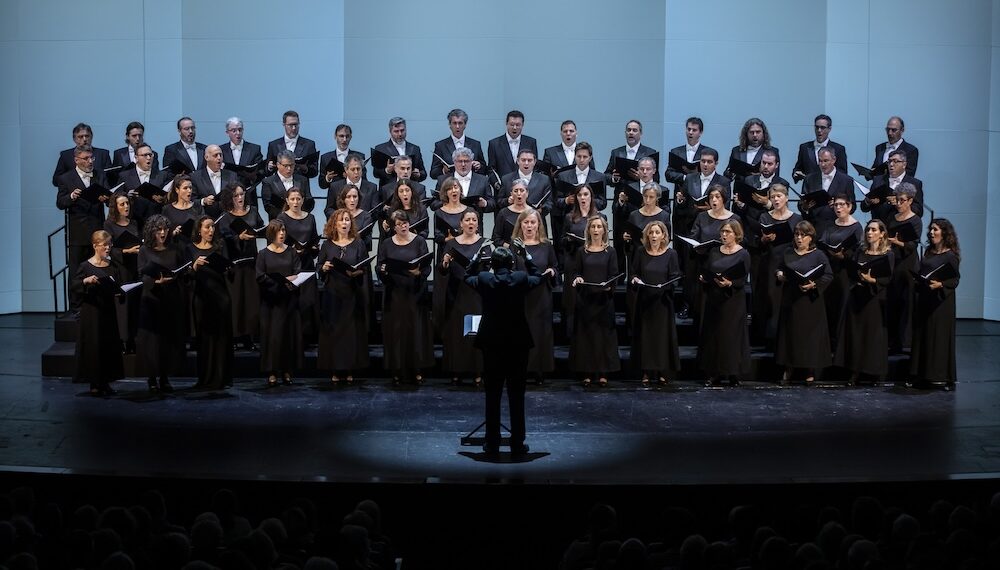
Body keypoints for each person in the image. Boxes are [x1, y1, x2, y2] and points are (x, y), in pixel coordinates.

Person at [464, 246, 542, 457]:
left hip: (492, 344)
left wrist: (476, 258)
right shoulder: (520, 278)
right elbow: (538, 276)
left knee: (493, 395)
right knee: (517, 395)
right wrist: (527, 257)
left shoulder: (484, 279)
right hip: (517, 343)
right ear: (511, 264)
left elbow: (466, 276)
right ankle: (517, 442)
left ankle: (492, 443)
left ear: (492, 264)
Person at [376, 210, 434, 385]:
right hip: (394, 293)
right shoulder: (386, 243)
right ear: (393, 227)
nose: (403, 226)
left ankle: (417, 369)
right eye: (399, 224)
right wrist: (383, 271)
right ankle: (397, 370)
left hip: (415, 293)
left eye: (406, 223)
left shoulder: (419, 241)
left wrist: (419, 273)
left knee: (415, 332)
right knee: (397, 333)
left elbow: (426, 266)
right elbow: (380, 265)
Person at [834, 220, 894, 386]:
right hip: (858, 296)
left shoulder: (888, 254)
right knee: (857, 334)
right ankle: (855, 371)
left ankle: (874, 372)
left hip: (875, 299)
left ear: (882, 233)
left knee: (873, 335)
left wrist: (872, 279)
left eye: (874, 230)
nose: (869, 232)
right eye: (868, 229)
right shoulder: (861, 251)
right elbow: (853, 270)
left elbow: (888, 278)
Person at [674, 148, 731, 318]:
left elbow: (726, 206)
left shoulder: (724, 181)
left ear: (716, 163)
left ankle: (708, 305)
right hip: (692, 229)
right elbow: (681, 206)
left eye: (709, 162)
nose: (705, 164)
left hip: (714, 229)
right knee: (690, 270)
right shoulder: (690, 178)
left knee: (712, 267)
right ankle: (687, 305)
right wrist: (680, 201)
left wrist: (709, 208)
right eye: (703, 161)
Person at [775, 221, 834, 385]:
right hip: (791, 300)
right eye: (797, 235)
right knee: (790, 335)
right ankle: (789, 367)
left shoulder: (819, 254)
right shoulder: (788, 252)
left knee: (809, 337)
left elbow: (828, 275)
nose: (799, 238)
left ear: (811, 237)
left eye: (803, 235)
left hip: (810, 302)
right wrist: (780, 274)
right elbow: (779, 268)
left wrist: (814, 284)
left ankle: (809, 369)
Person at [317, 209, 371, 384]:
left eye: (347, 220)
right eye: (341, 220)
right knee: (334, 332)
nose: (345, 223)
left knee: (350, 333)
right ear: (335, 224)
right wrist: (324, 268)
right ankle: (334, 368)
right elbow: (319, 267)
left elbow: (365, 267)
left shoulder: (359, 244)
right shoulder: (327, 245)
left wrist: (358, 272)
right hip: (333, 294)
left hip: (351, 293)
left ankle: (349, 368)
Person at [438, 209, 490, 386]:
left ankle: (477, 370)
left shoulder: (484, 244)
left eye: (474, 220)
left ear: (477, 223)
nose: (470, 223)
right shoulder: (452, 244)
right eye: (467, 220)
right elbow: (443, 270)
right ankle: (456, 370)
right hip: (456, 292)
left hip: (476, 294)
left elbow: (488, 269)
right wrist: (445, 263)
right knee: (457, 333)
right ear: (461, 224)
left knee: (474, 333)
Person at [136, 215, 186, 394]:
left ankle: (164, 377)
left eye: (165, 229)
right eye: (159, 230)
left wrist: (173, 278)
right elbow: (142, 274)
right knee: (151, 342)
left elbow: (181, 271)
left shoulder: (175, 249)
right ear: (152, 231)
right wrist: (155, 282)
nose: (163, 233)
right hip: (151, 299)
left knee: (167, 341)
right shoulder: (144, 250)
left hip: (170, 299)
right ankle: (151, 378)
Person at [57, 145, 110, 312]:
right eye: (86, 159)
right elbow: (60, 203)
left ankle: (98, 304)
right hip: (78, 233)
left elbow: (109, 199)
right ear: (76, 160)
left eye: (91, 158)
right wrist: (71, 197)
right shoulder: (66, 178)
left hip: (97, 230)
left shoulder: (100, 175)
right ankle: (76, 307)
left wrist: (106, 198)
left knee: (99, 266)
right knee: (75, 270)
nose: (90, 162)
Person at [698, 220, 751, 386]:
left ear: (736, 234)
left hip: (733, 301)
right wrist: (704, 279)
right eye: (722, 232)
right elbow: (709, 269)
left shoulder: (743, 254)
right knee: (715, 335)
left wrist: (730, 283)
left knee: (732, 337)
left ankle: (733, 373)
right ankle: (715, 373)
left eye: (728, 232)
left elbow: (742, 278)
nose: (724, 235)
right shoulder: (714, 251)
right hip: (715, 299)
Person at [568, 215, 620, 387]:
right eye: (593, 227)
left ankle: (603, 372)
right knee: (586, 337)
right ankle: (587, 372)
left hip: (603, 300)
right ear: (588, 230)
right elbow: (576, 272)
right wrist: (577, 279)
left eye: (599, 227)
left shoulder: (610, 251)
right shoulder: (581, 251)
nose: (596, 230)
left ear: (604, 230)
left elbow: (615, 275)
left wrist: (609, 286)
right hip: (586, 299)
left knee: (603, 337)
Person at [71, 230, 124, 396]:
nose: (108, 248)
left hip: (108, 311)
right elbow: (74, 287)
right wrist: (86, 281)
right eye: (104, 245)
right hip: (91, 313)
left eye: (110, 245)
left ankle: (106, 382)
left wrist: (120, 293)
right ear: (95, 246)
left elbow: (119, 288)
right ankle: (94, 383)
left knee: (108, 345)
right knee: (94, 346)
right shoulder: (85, 266)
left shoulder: (113, 266)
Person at [909, 219, 960, 389]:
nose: (931, 233)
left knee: (939, 337)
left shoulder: (951, 255)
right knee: (923, 336)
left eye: (935, 229)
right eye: (930, 230)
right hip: (925, 298)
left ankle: (944, 377)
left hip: (941, 302)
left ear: (944, 233)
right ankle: (921, 374)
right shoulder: (929, 252)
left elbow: (954, 279)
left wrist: (941, 285)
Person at [629, 221, 682, 386]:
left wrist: (666, 285)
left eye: (657, 233)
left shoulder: (671, 254)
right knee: (646, 337)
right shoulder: (640, 252)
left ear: (663, 235)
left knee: (661, 337)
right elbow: (634, 273)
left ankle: (662, 371)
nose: (653, 236)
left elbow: (675, 277)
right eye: (651, 233)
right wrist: (635, 279)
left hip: (663, 302)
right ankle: (646, 371)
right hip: (645, 301)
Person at [510, 208, 558, 383]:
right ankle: (521, 369)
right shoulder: (514, 246)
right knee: (520, 334)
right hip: (521, 296)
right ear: (520, 225)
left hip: (541, 296)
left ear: (539, 225)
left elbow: (555, 266)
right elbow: (510, 270)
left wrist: (552, 271)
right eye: (526, 222)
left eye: (532, 222)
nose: (529, 226)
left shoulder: (546, 245)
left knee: (540, 333)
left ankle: (539, 370)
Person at [186, 215, 233, 390]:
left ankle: (221, 378)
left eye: (212, 227)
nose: (211, 230)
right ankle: (204, 379)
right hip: (202, 298)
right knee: (204, 340)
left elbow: (229, 272)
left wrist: (228, 268)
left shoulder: (220, 246)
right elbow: (186, 276)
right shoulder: (189, 249)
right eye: (207, 227)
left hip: (221, 298)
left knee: (221, 339)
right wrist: (194, 267)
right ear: (199, 230)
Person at [751, 184, 801, 347]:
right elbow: (758, 241)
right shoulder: (765, 217)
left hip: (791, 262)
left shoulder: (796, 218)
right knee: (771, 298)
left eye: (779, 196)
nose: (776, 199)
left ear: (786, 198)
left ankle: (786, 336)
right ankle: (770, 337)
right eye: (773, 197)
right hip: (770, 261)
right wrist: (764, 240)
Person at [255, 220, 303, 388]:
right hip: (271, 301)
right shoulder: (263, 253)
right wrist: (279, 282)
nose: (281, 234)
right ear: (271, 234)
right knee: (272, 337)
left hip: (288, 300)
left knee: (287, 336)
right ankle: (272, 371)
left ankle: (287, 371)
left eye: (283, 230)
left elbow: (297, 272)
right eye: (278, 231)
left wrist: (289, 281)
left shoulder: (291, 252)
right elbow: (260, 276)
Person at [685, 185, 741, 327]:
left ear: (724, 199)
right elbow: (693, 237)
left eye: (717, 197)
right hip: (705, 264)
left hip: (727, 265)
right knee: (704, 304)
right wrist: (696, 247)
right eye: (711, 197)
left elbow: (741, 241)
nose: (714, 200)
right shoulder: (702, 216)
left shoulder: (734, 218)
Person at [216, 183, 262, 352]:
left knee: (250, 301)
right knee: (236, 301)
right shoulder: (225, 217)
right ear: (230, 198)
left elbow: (261, 227)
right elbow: (220, 237)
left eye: (242, 194)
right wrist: (238, 237)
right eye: (236, 196)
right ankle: (234, 336)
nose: (240, 198)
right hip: (234, 263)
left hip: (251, 262)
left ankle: (248, 336)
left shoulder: (253, 211)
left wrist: (256, 232)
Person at [818, 196, 865, 349]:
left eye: (841, 205)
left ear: (849, 206)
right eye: (836, 205)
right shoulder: (831, 226)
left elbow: (859, 251)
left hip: (845, 271)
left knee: (842, 306)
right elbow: (823, 243)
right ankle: (828, 341)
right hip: (830, 270)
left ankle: (840, 343)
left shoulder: (856, 227)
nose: (838, 208)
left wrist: (844, 255)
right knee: (829, 305)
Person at [276, 188, 320, 343]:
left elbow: (314, 238)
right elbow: (277, 241)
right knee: (292, 300)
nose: (295, 202)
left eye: (298, 199)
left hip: (307, 262)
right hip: (289, 264)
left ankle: (307, 337)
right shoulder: (281, 218)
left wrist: (314, 248)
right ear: (287, 201)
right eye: (292, 199)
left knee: (308, 300)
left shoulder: (311, 217)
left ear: (303, 200)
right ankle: (292, 336)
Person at [886, 183, 923, 353]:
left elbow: (912, 245)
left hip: (908, 265)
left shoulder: (915, 220)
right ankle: (892, 340)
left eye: (902, 200)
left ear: (910, 201)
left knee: (906, 303)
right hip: (893, 263)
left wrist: (897, 242)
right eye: (897, 200)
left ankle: (905, 342)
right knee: (892, 302)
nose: (899, 203)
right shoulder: (892, 218)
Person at [613, 156, 666, 271]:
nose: (645, 172)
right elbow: (620, 213)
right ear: (638, 170)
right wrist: (621, 202)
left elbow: (666, 213)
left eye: (648, 169)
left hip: (655, 239)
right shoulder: (628, 188)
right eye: (642, 169)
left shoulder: (663, 190)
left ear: (654, 171)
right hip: (635, 242)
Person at [104, 192, 142, 354]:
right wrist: (125, 251)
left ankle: (133, 339)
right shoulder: (109, 225)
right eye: (122, 204)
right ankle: (122, 340)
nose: (126, 206)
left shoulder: (133, 223)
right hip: (120, 268)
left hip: (135, 267)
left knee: (135, 306)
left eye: (127, 203)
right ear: (115, 207)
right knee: (122, 306)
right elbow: (107, 249)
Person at [798, 147, 855, 237]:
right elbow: (801, 204)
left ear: (834, 160)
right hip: (813, 229)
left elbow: (853, 206)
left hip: (837, 229)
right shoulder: (809, 179)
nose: (823, 164)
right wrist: (805, 207)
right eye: (820, 161)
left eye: (826, 161)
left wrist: (839, 206)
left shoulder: (846, 180)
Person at [429, 148, 494, 227]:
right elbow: (433, 204)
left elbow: (492, 204)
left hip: (474, 229)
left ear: (472, 162)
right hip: (449, 227)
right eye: (460, 161)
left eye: (466, 161)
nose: (463, 164)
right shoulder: (442, 180)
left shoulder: (483, 180)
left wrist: (485, 203)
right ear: (454, 162)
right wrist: (446, 203)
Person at [861, 149, 924, 224]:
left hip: (902, 226)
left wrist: (900, 203)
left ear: (904, 164)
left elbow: (919, 211)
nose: (891, 164)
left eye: (895, 161)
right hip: (880, 228)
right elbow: (864, 207)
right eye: (889, 161)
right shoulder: (878, 180)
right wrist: (868, 201)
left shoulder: (914, 183)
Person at [497, 149, 552, 229]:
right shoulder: (507, 179)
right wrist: (508, 200)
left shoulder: (544, 179)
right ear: (518, 161)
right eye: (523, 160)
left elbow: (549, 202)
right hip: (512, 223)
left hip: (536, 223)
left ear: (535, 162)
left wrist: (541, 211)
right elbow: (499, 201)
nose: (526, 163)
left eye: (529, 160)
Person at [430, 108, 486, 178]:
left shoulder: (475, 144)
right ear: (450, 125)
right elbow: (433, 173)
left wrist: (479, 166)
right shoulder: (440, 146)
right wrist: (444, 171)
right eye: (454, 123)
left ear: (465, 125)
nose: (457, 126)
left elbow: (485, 170)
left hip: (471, 185)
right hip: (449, 185)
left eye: (460, 123)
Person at [372, 117, 427, 187]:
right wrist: (387, 170)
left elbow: (424, 173)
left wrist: (418, 174)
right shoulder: (380, 149)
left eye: (402, 130)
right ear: (390, 131)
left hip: (411, 190)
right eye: (396, 131)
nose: (400, 134)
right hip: (389, 192)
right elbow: (376, 173)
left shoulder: (415, 148)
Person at [52, 123, 112, 187]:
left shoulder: (103, 154)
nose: (84, 139)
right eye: (80, 137)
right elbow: (56, 180)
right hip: (75, 193)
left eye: (87, 136)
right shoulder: (66, 156)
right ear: (74, 139)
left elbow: (110, 177)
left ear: (91, 137)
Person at [664, 117, 714, 192]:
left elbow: (711, 175)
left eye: (694, 130)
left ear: (700, 132)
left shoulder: (707, 153)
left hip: (700, 193)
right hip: (680, 194)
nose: (690, 132)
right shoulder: (676, 151)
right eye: (689, 129)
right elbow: (668, 174)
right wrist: (685, 177)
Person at [265, 110, 319, 179]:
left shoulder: (309, 144)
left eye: (296, 125)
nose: (294, 128)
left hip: (301, 186)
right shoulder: (274, 145)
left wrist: (306, 169)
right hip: (279, 187)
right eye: (290, 125)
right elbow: (266, 172)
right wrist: (270, 167)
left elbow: (314, 172)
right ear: (284, 125)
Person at [792, 114, 848, 179]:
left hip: (830, 187)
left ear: (829, 129)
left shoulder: (838, 149)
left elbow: (843, 173)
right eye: (817, 127)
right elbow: (798, 168)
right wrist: (796, 173)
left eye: (822, 127)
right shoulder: (804, 147)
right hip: (809, 187)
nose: (819, 130)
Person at [261, 150, 313, 221]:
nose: (289, 169)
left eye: (291, 165)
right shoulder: (268, 182)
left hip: (300, 221)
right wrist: (286, 216)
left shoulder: (303, 180)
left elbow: (308, 200)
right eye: (285, 166)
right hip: (278, 222)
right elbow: (268, 206)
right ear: (278, 165)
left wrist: (300, 214)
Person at [220, 117, 265, 194]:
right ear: (227, 132)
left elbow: (260, 172)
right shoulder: (221, 150)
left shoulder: (254, 149)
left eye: (240, 130)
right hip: (228, 194)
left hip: (249, 193)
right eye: (234, 130)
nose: (238, 133)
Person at [487, 110, 538, 178]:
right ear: (506, 123)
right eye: (512, 124)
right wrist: (497, 185)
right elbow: (491, 169)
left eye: (518, 125)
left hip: (526, 186)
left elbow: (534, 166)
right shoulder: (494, 143)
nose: (514, 128)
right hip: (502, 186)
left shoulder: (531, 142)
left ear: (523, 125)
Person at [190, 145, 236, 218]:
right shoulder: (195, 177)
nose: (219, 158)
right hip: (205, 220)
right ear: (206, 157)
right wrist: (203, 201)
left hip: (228, 220)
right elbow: (190, 201)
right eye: (215, 155)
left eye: (220, 155)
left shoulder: (232, 175)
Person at [319, 123, 367, 189]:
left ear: (350, 137)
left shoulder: (359, 156)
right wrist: (328, 178)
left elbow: (364, 181)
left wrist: (353, 176)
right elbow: (321, 185)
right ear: (335, 137)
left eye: (347, 136)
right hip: (334, 196)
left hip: (353, 195)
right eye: (341, 136)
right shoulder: (326, 158)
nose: (344, 139)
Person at [161, 174, 205, 246]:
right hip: (175, 247)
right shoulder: (167, 209)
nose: (189, 191)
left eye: (190, 188)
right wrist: (174, 232)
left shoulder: (198, 207)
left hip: (194, 246)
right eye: (185, 188)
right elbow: (163, 232)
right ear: (177, 190)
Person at [337, 184, 376, 253]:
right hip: (340, 252)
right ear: (343, 199)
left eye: (355, 196)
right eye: (348, 197)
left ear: (359, 198)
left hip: (360, 253)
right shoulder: (337, 215)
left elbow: (367, 240)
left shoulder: (366, 216)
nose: (352, 200)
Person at [492, 177, 530, 246]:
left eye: (522, 190)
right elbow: (496, 238)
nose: (519, 193)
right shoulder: (503, 213)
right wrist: (511, 248)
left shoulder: (533, 213)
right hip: (509, 252)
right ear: (511, 194)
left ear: (527, 193)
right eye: (515, 191)